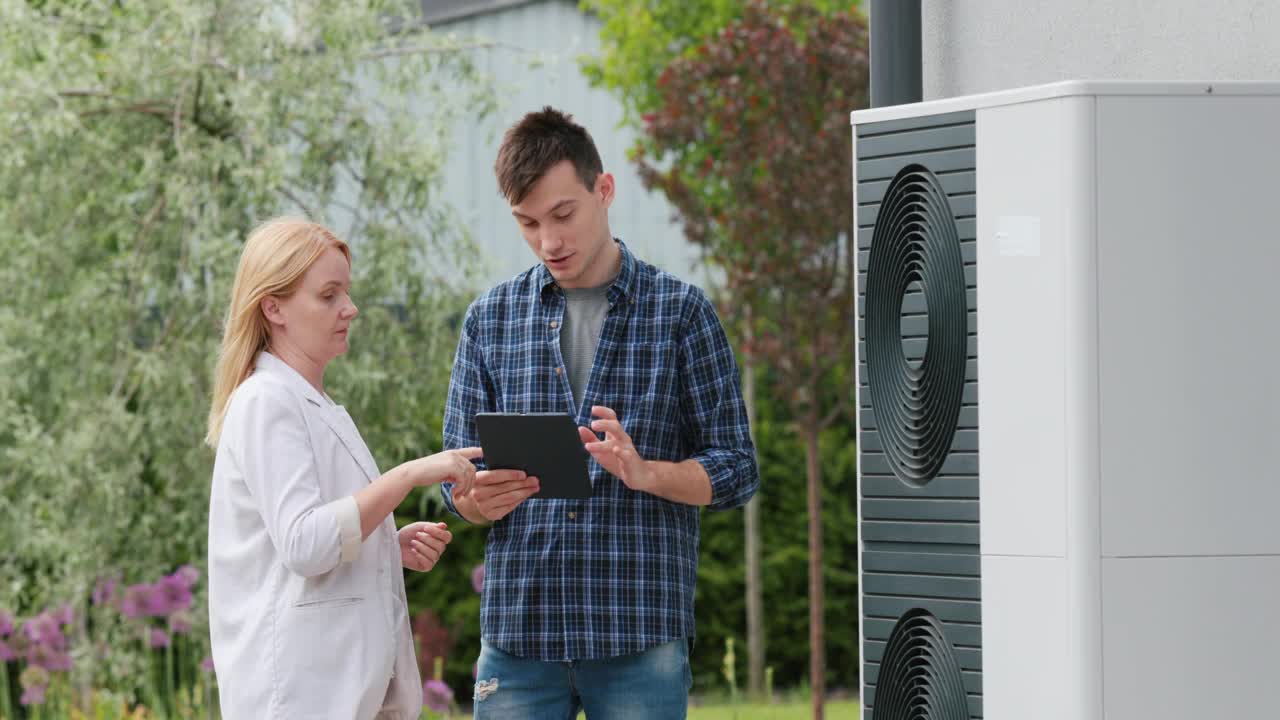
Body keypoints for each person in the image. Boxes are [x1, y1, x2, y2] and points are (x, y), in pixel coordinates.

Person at [441, 108, 759, 719]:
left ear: (604, 190)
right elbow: (457, 480)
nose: (549, 241)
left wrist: (647, 473)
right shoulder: (489, 321)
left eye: (563, 215)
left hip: (638, 635)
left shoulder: (682, 314)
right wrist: (478, 501)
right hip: (519, 638)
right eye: (528, 223)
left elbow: (737, 468)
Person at [205, 217, 479, 720]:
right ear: (274, 307)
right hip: (300, 699)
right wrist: (405, 477)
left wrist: (383, 548)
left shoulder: (313, 404)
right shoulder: (267, 402)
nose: (349, 309)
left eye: (346, 293)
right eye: (328, 295)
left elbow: (313, 542)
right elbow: (305, 545)